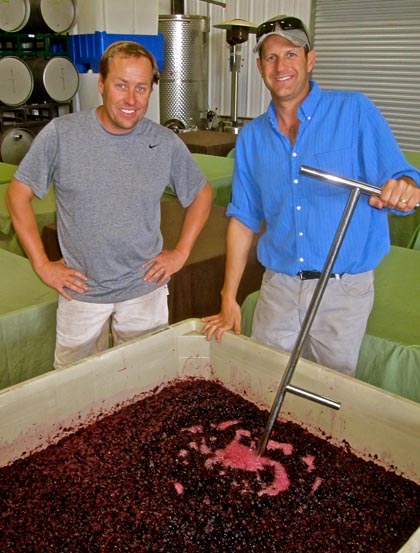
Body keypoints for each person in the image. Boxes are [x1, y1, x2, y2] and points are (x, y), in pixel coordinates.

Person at [202, 15, 420, 376]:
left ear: (310, 59)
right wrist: (228, 296)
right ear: (259, 66)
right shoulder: (253, 138)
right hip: (278, 287)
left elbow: (402, 179)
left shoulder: (354, 111)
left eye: (290, 54)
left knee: (326, 399)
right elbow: (243, 218)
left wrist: (405, 189)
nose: (281, 65)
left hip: (343, 292)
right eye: (271, 57)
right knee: (263, 387)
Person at [7, 41, 213, 369]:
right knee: (75, 389)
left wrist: (180, 253)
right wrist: (43, 265)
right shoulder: (62, 134)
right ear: (101, 84)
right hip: (82, 293)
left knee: (146, 382)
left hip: (144, 289)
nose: (131, 99)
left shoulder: (163, 142)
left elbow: (201, 195)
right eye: (121, 85)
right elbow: (18, 195)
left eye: (141, 88)